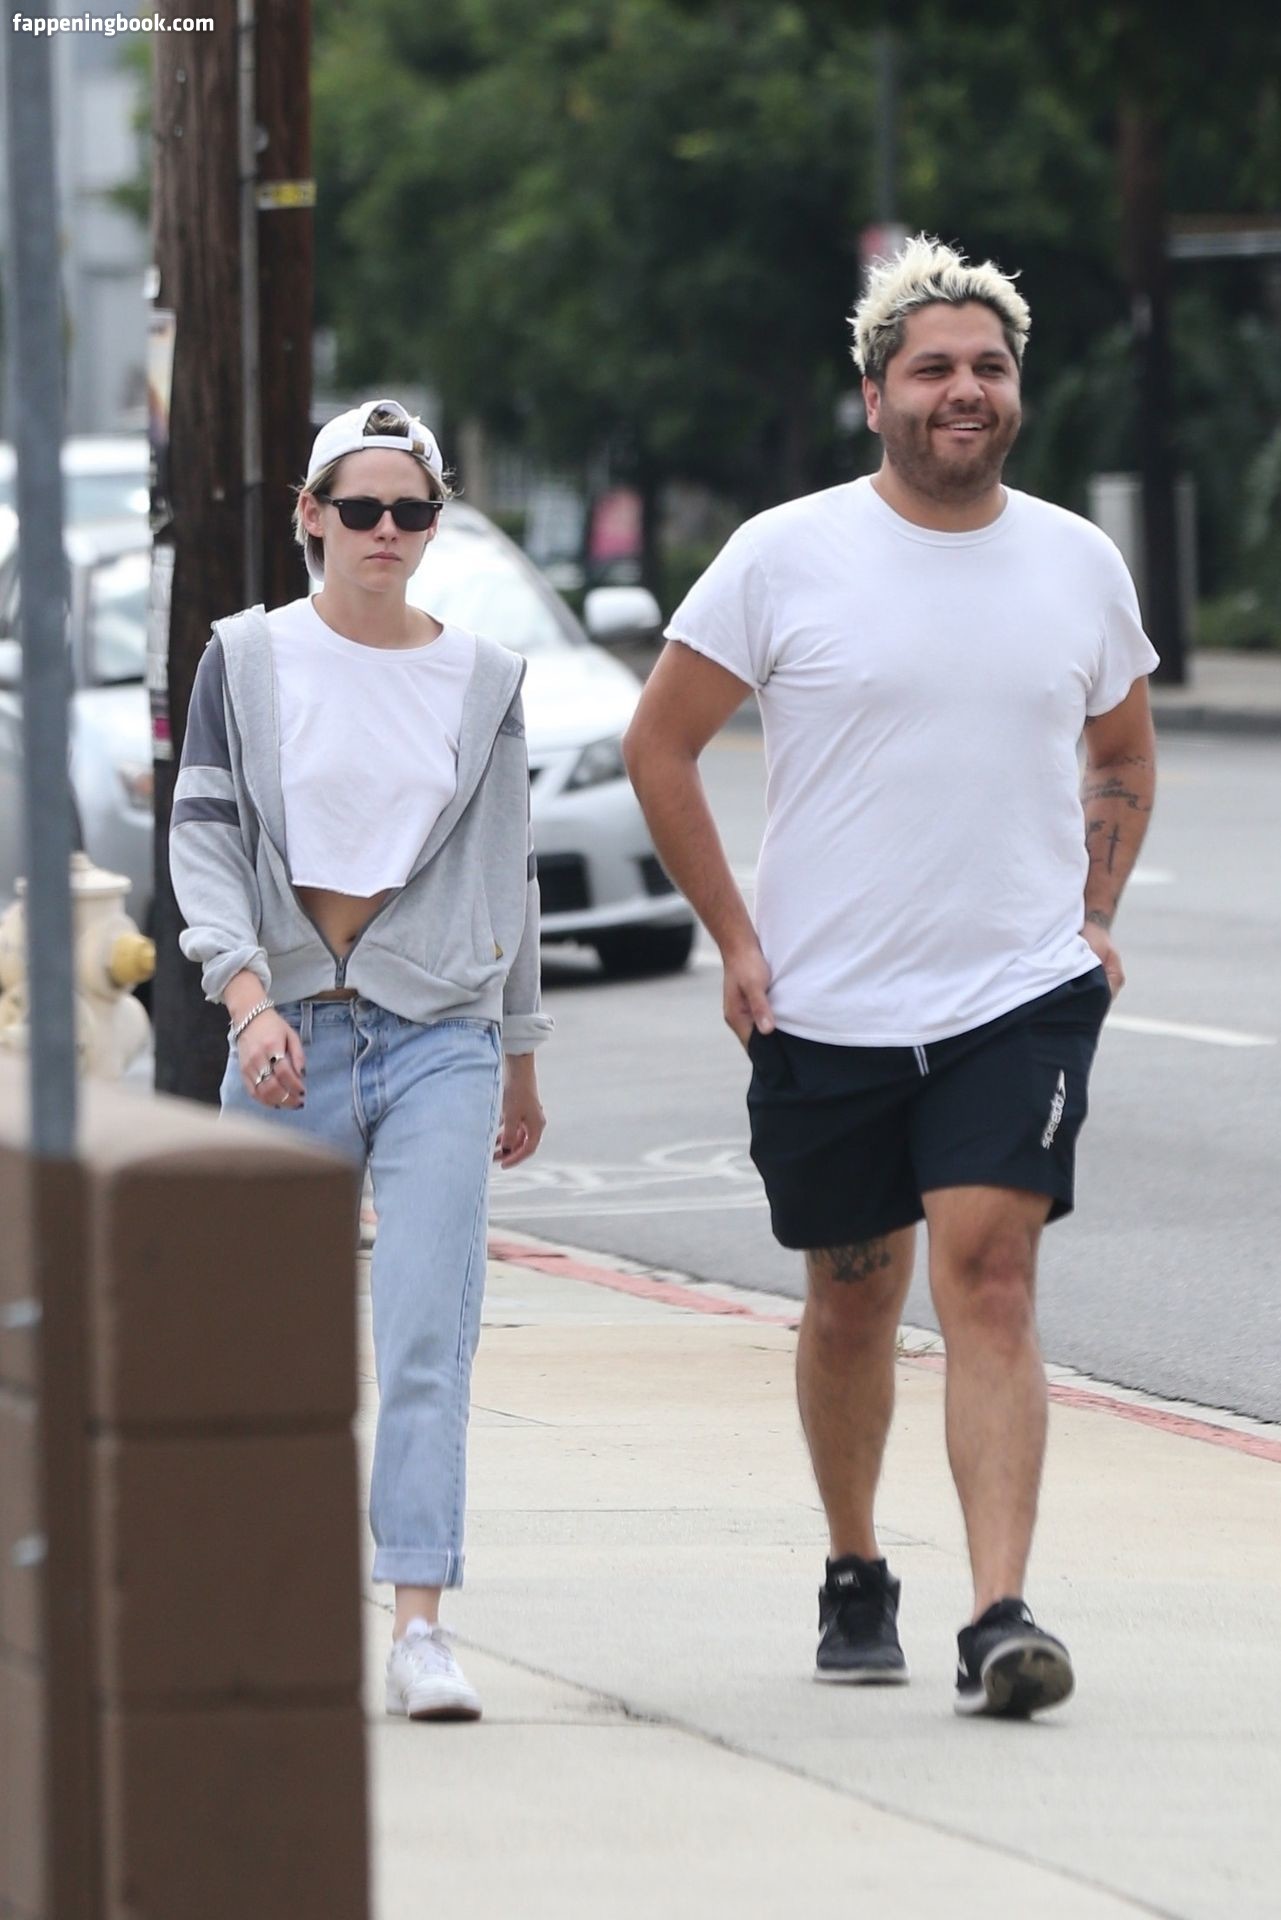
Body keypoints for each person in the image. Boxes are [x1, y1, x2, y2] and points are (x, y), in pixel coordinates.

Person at [623, 236, 1158, 1718]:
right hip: (827, 1005)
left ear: (1016, 389)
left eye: (988, 366)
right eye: (932, 369)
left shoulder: (1076, 562)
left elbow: (1120, 751)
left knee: (991, 1278)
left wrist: (1093, 909)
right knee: (853, 1299)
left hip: (1016, 996)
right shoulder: (782, 555)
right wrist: (736, 937)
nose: (963, 390)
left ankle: (1000, 1613)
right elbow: (659, 745)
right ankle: (855, 1565)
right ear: (874, 396)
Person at [171, 397, 551, 1723]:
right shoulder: (247, 658)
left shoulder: (486, 678)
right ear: (311, 517)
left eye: (412, 510)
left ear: (433, 524)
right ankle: (262, 1602)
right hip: (286, 1029)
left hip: (441, 1030)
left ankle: (418, 1628)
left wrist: (519, 1052)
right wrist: (244, 997)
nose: (386, 530)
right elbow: (204, 834)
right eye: (361, 508)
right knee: (261, 1343)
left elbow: (506, 873)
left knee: (428, 1334)